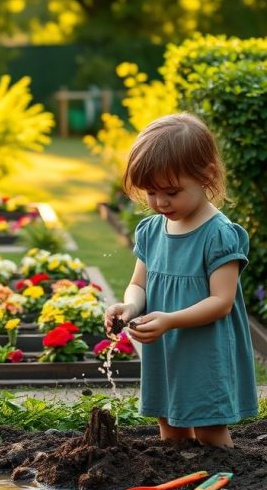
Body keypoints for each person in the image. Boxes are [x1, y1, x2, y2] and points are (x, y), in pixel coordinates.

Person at [105, 113, 257, 448]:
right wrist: (129, 306)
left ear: (207, 176)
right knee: (170, 428)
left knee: (208, 431)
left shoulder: (218, 235)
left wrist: (170, 320)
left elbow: (222, 302)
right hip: (165, 351)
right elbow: (139, 284)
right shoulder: (151, 229)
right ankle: (177, 489)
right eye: (151, 192)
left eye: (171, 192)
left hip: (204, 352)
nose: (159, 203)